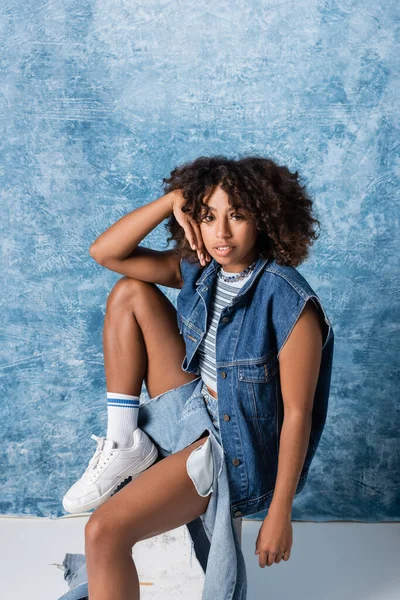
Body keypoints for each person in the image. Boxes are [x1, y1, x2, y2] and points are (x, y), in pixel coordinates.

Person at [61, 155, 334, 599]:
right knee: (130, 291)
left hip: (231, 449)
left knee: (103, 531)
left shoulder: (289, 301)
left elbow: (298, 415)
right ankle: (124, 443)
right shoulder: (202, 268)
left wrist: (280, 512)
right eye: (208, 216)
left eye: (237, 216)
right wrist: (170, 200)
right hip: (194, 410)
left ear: (265, 219)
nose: (221, 233)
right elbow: (106, 253)